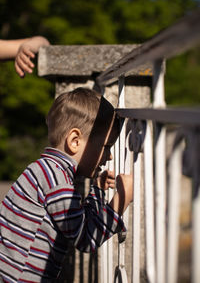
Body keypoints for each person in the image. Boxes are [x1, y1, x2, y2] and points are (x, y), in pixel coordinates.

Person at [0, 87, 133, 282]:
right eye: (106, 147)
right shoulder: (58, 182)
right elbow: (86, 239)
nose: (109, 156)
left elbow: (78, 220)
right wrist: (120, 201)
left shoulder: (45, 170)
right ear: (75, 141)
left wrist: (97, 190)